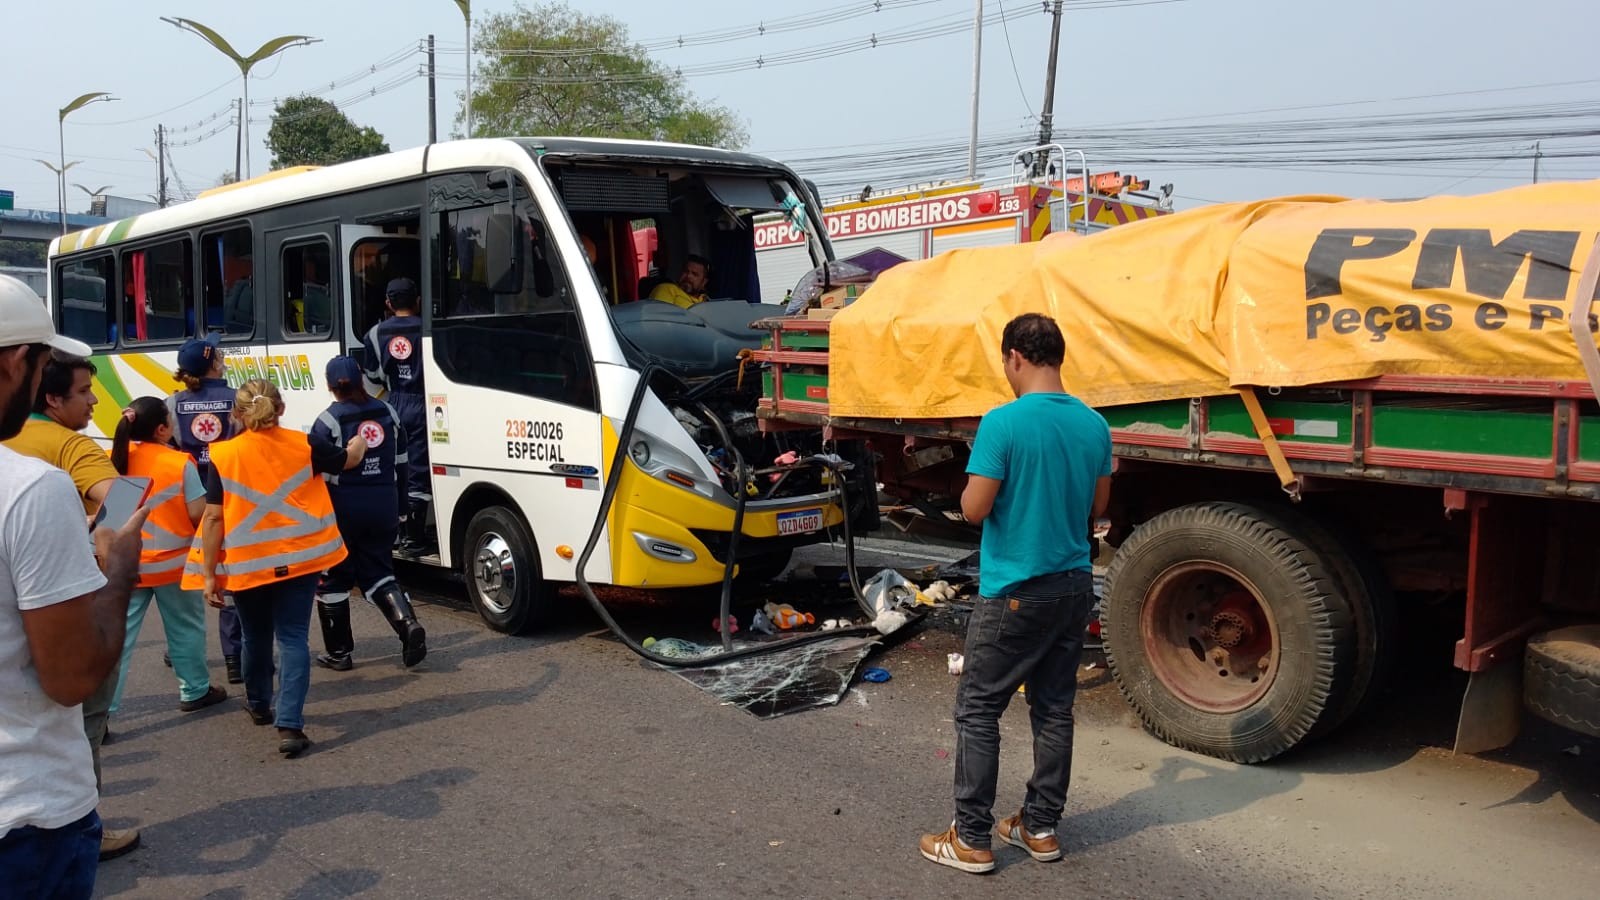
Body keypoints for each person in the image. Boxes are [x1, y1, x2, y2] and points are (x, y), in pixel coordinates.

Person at [919, 313, 1111, 874]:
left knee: (979, 711)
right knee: (1054, 710)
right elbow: (1098, 508)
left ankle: (973, 838)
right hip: (1074, 586)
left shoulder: (1002, 423)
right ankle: (1041, 826)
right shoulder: (1094, 424)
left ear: (1015, 358)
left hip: (1015, 592)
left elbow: (974, 509)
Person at [0, 273, 147, 894]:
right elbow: (72, 678)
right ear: (17, 363)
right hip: (27, 818)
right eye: (83, 389)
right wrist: (116, 564)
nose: (93, 402)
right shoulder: (38, 480)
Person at [181, 379, 361, 758]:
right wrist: (359, 442)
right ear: (280, 410)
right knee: (293, 638)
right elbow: (348, 459)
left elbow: (213, 519)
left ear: (238, 414)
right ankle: (290, 725)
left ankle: (260, 704)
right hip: (299, 559)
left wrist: (210, 573)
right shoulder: (303, 444)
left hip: (248, 564)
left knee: (254, 636)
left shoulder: (224, 454)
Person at [107, 397, 228, 718]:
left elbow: (110, 516)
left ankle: (102, 711)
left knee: (118, 637)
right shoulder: (178, 463)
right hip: (174, 567)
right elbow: (198, 515)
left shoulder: (114, 459)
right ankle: (195, 690)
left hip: (125, 566)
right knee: (185, 628)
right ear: (162, 430)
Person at [309, 356, 427, 671]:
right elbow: (402, 465)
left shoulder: (328, 421)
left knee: (333, 579)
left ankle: (339, 654)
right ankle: (407, 625)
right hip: (384, 506)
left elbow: (315, 467)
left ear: (330, 385)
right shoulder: (388, 411)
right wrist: (402, 510)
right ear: (361, 380)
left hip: (343, 510)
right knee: (379, 572)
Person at [169, 333, 244, 685]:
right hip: (226, 496)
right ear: (213, 364)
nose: (224, 359)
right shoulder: (236, 401)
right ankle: (233, 656)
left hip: (189, 497)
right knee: (225, 577)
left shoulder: (173, 404)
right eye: (220, 356)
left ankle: (181, 647)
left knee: (188, 577)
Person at [361, 277, 434, 556]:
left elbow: (374, 376)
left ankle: (396, 533)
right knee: (418, 468)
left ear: (388, 304)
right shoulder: (429, 328)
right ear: (418, 301)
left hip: (394, 404)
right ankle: (415, 539)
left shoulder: (375, 333)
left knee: (394, 468)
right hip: (425, 402)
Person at [647, 255, 712, 309]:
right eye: (686, 271)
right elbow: (660, 318)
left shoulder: (707, 301)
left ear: (704, 282)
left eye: (694, 274)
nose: (688, 276)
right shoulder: (667, 289)